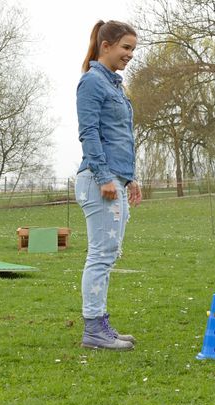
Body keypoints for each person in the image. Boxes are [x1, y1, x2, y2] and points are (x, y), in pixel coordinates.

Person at [75, 20, 142, 350]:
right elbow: (89, 132)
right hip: (99, 179)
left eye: (133, 49)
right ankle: (94, 329)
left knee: (109, 254)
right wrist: (104, 177)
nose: (130, 54)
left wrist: (132, 178)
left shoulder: (115, 86)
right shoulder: (92, 82)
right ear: (106, 46)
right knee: (101, 256)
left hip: (117, 177)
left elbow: (121, 136)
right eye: (126, 47)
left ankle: (101, 324)